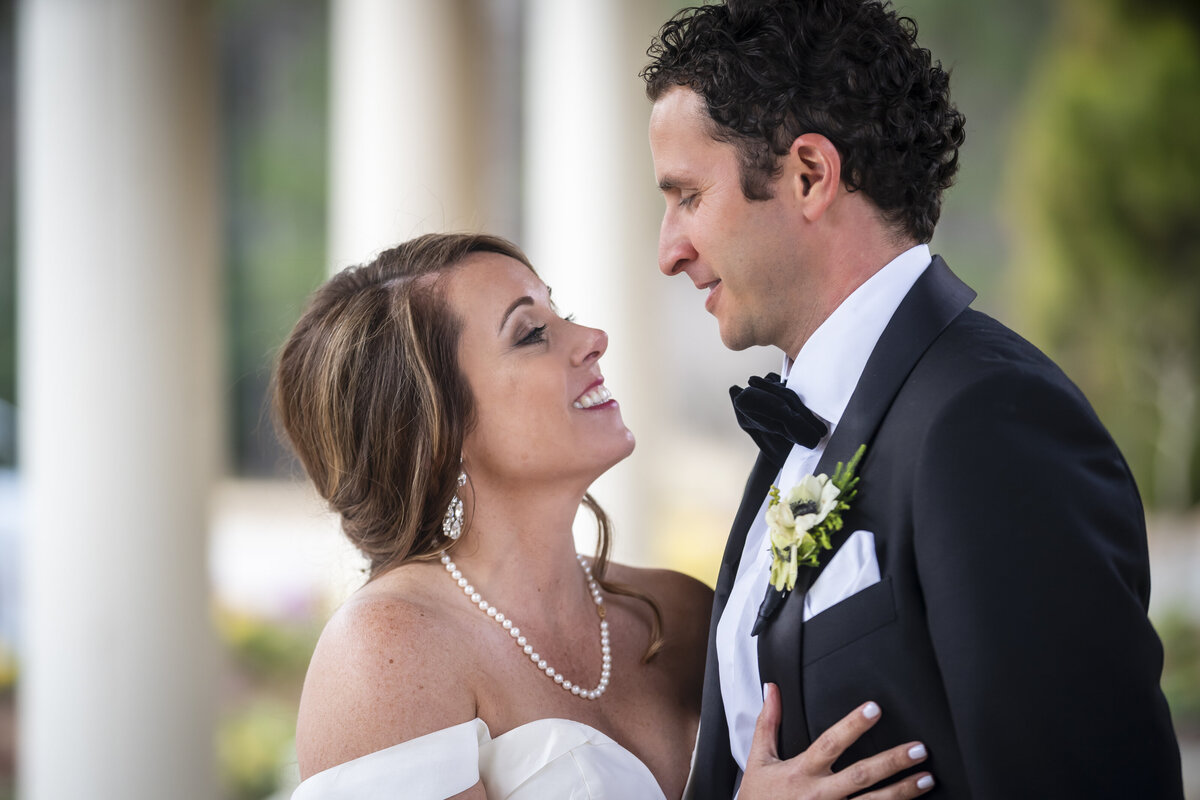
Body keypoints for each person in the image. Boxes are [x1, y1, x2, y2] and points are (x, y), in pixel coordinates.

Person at [642, 1, 1185, 798]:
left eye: (687, 195)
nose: (668, 250)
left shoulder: (991, 419)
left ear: (809, 175)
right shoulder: (797, 438)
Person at [275, 233, 933, 799]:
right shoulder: (385, 655)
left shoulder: (679, 612)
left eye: (563, 315)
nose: (592, 339)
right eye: (531, 333)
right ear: (435, 433)